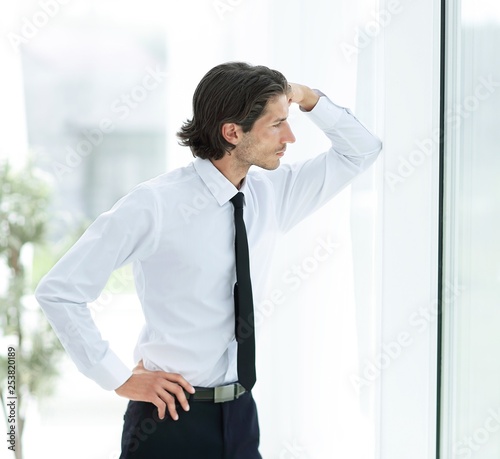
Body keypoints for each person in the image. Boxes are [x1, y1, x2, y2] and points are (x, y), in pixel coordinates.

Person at [35, 61, 382, 459]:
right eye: (276, 125)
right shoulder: (155, 205)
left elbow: (361, 150)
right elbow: (59, 291)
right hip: (167, 420)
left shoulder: (273, 193)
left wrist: (307, 97)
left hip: (240, 416)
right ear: (233, 132)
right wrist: (115, 377)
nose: (290, 137)